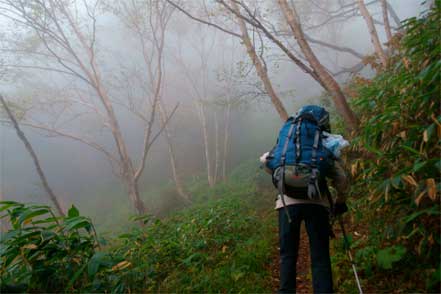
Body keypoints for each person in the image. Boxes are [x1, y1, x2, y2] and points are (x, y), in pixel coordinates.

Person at [261, 105, 349, 294]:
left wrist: (286, 176)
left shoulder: (287, 140)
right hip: (317, 204)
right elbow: (341, 178)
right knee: (320, 256)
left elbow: (266, 162)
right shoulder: (323, 141)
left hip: (287, 204)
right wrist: (340, 201)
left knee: (287, 255)